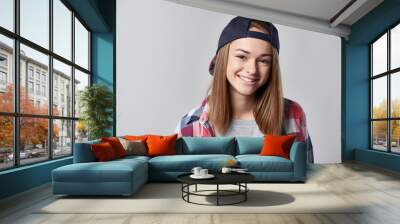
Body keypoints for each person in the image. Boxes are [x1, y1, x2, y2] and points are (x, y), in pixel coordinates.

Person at [175, 16, 314, 163]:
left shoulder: (293, 114)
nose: (252, 70)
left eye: (263, 60)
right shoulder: (190, 124)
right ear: (222, 59)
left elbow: (307, 176)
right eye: (242, 56)